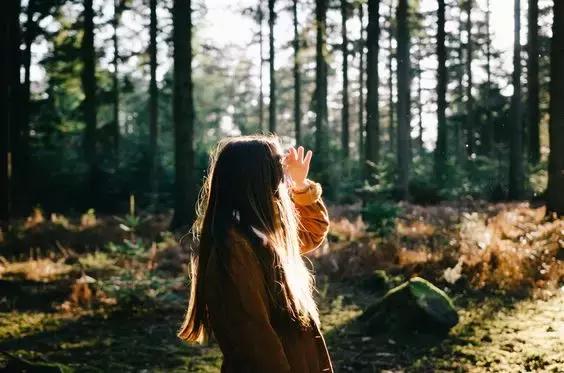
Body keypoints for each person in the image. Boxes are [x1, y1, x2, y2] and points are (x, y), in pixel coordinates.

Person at [178, 135, 333, 372]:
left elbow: (313, 232)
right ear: (257, 177)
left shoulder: (260, 230)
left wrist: (300, 186)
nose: (283, 172)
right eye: (277, 165)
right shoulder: (233, 249)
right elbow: (254, 340)